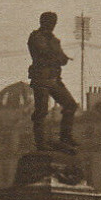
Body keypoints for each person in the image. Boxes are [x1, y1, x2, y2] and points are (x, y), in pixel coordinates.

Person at [29, 12, 78, 153]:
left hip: (55, 79)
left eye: (54, 23)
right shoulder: (36, 37)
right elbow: (45, 54)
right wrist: (57, 57)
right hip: (41, 79)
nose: (52, 25)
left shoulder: (54, 40)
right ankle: (41, 142)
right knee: (41, 112)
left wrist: (59, 57)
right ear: (43, 22)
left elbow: (61, 59)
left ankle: (65, 137)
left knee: (71, 105)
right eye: (50, 22)